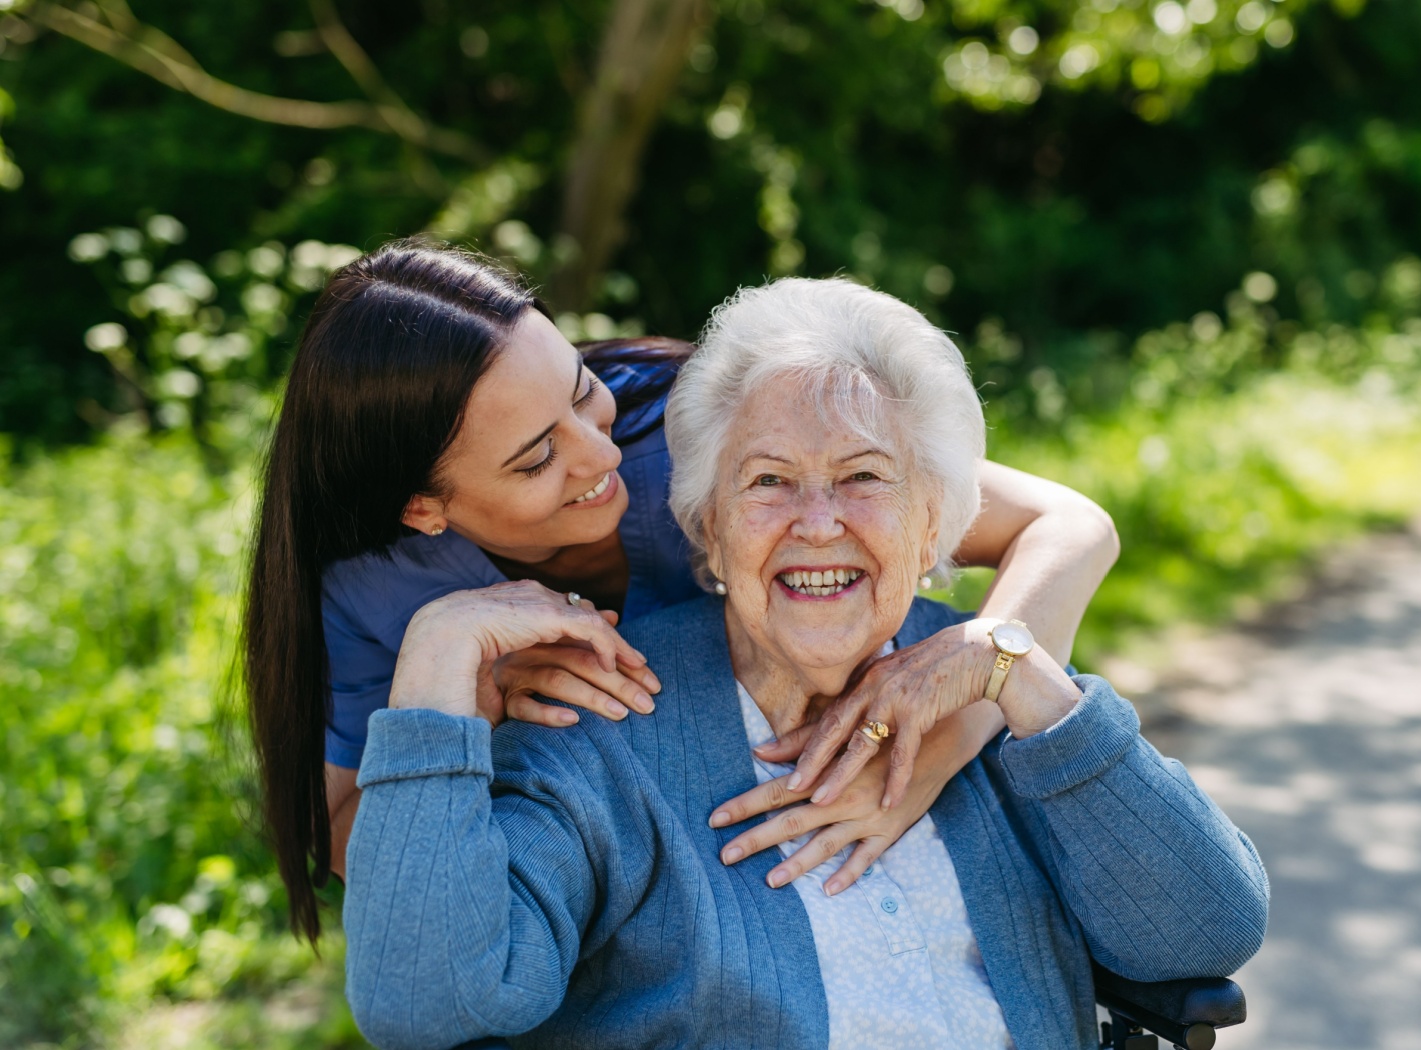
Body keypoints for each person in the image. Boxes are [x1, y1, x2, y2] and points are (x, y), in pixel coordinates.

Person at [342, 278, 1269, 1049]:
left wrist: (1013, 669)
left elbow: (1208, 928)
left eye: (865, 477)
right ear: (703, 522)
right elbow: (427, 1007)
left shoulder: (995, 689)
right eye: (769, 482)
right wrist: (436, 655)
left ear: (937, 521)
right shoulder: (599, 722)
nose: (818, 522)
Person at [243, 242, 1122, 941]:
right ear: (421, 509)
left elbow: (1072, 527)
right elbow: (348, 829)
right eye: (538, 458)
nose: (601, 455)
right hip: (614, 908)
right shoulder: (375, 590)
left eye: (583, 397)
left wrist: (937, 735)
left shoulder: (699, 443)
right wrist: (469, 705)